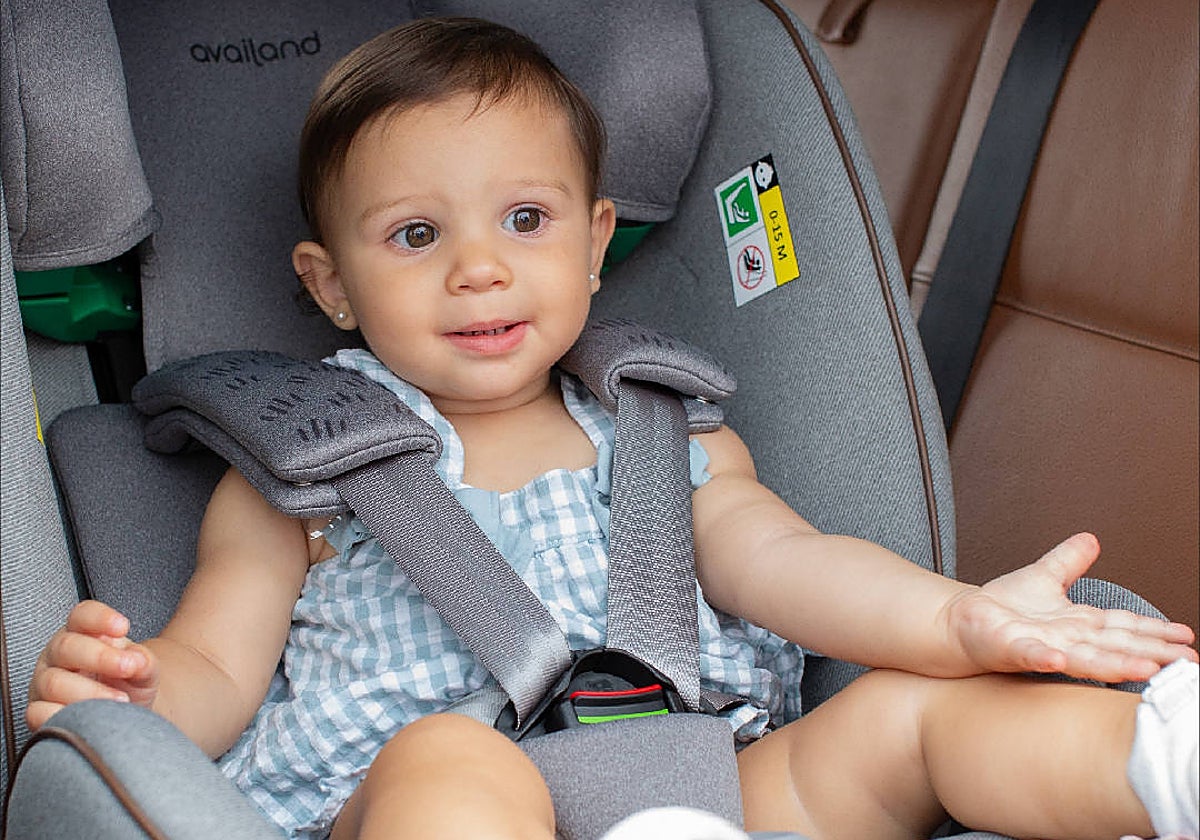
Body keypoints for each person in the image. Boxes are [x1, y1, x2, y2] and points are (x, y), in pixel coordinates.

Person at [26, 17, 1198, 840]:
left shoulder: (666, 433)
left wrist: (960, 622)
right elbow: (220, 663)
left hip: (713, 788)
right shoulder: (302, 480)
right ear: (331, 285)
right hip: (428, 794)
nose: (480, 269)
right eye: (417, 236)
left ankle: (1163, 769)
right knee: (451, 761)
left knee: (915, 714)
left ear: (594, 246)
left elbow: (789, 566)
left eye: (524, 220)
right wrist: (139, 694)